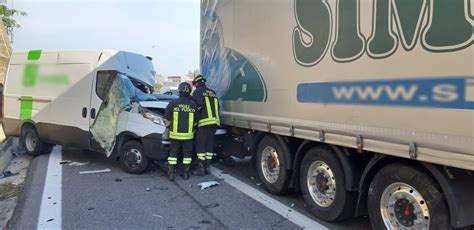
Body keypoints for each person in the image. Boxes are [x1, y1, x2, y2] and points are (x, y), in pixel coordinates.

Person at [164, 82, 198, 181]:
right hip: (188, 136)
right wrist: (192, 130)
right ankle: (186, 174)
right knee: (187, 155)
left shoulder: (173, 103)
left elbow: (167, 118)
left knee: (173, 154)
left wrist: (169, 127)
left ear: (179, 90)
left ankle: (171, 173)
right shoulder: (193, 105)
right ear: (189, 91)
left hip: (174, 135)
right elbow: (197, 121)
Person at [191, 74, 220, 176]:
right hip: (214, 123)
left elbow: (195, 108)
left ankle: (201, 168)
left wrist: (193, 123)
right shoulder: (212, 93)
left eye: (195, 85)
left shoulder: (198, 92)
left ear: (197, 83)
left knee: (200, 145)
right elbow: (217, 108)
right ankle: (207, 167)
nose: (194, 87)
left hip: (203, 123)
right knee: (209, 144)